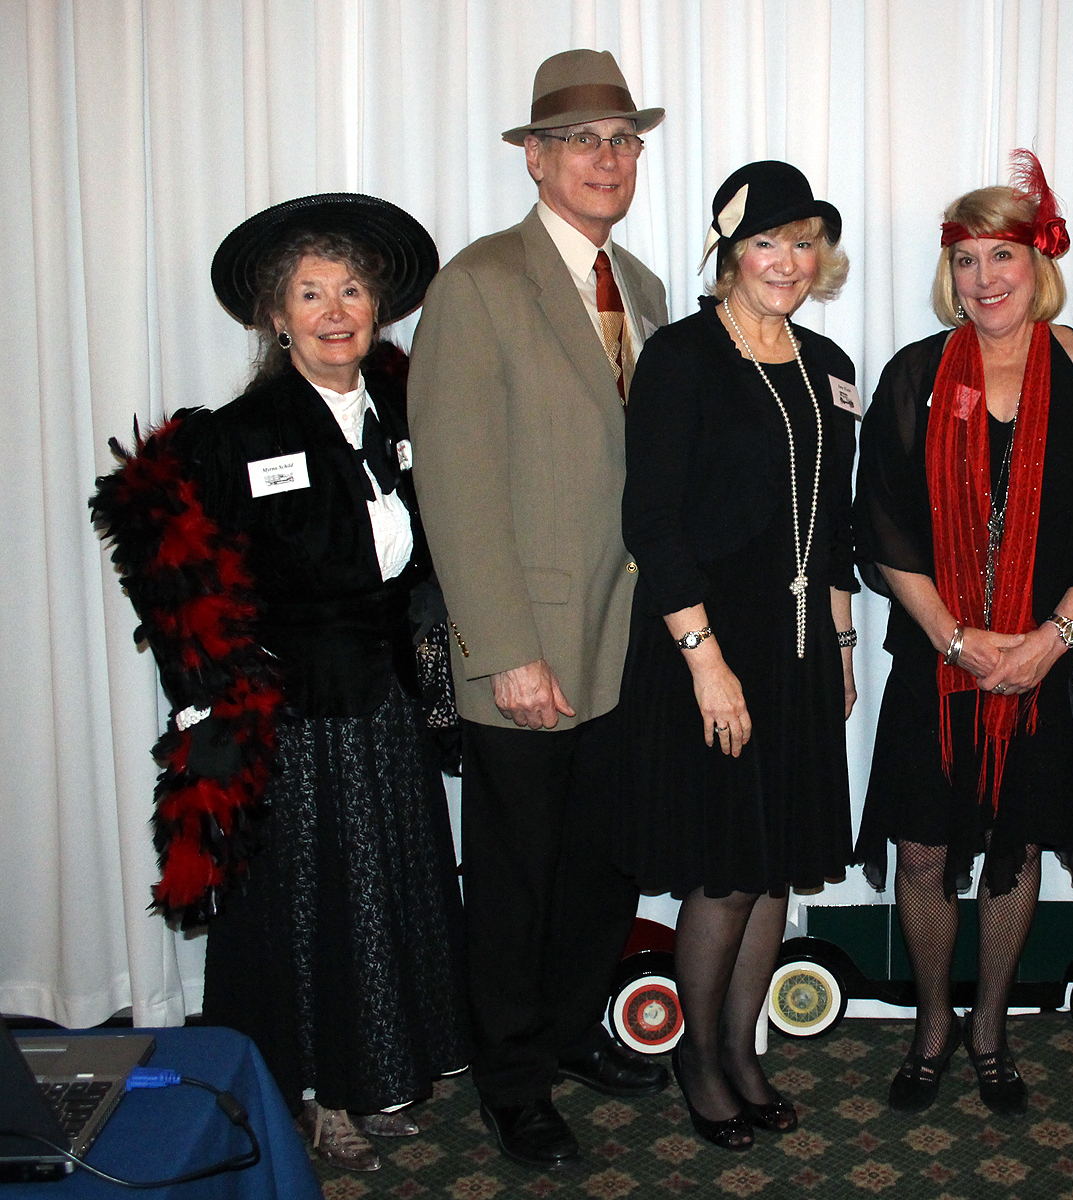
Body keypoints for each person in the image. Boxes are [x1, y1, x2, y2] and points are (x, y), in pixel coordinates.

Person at [92, 193, 468, 1173]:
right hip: (296, 720)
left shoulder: (404, 409)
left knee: (383, 895)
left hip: (380, 708)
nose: (336, 308)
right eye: (312, 292)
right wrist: (208, 710)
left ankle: (376, 1076)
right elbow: (181, 585)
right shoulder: (238, 435)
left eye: (352, 289)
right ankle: (310, 1097)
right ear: (275, 316)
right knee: (306, 914)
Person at [407, 49, 670, 1169]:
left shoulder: (647, 289)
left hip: (631, 646)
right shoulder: (477, 284)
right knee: (516, 876)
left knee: (605, 863)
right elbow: (455, 493)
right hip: (531, 646)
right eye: (581, 139)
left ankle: (566, 1033)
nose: (607, 158)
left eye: (624, 140)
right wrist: (502, 652)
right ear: (534, 156)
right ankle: (511, 1081)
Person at [854, 150, 1073, 1117]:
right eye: (968, 260)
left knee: (1017, 848)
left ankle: (991, 1029)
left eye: (1004, 258)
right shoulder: (913, 373)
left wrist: (1047, 643)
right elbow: (882, 521)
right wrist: (955, 639)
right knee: (929, 853)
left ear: (1039, 264)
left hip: (1047, 667)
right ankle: (932, 1024)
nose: (986, 279)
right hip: (937, 665)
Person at [616, 161, 857, 1151]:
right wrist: (706, 662)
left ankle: (741, 1046)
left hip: (799, 647)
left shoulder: (828, 360)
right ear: (729, 256)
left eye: (803, 242)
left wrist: (841, 645)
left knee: (774, 868)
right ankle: (697, 1057)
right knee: (723, 870)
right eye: (766, 242)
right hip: (706, 642)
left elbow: (833, 524)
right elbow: (652, 523)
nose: (787, 262)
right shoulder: (681, 356)